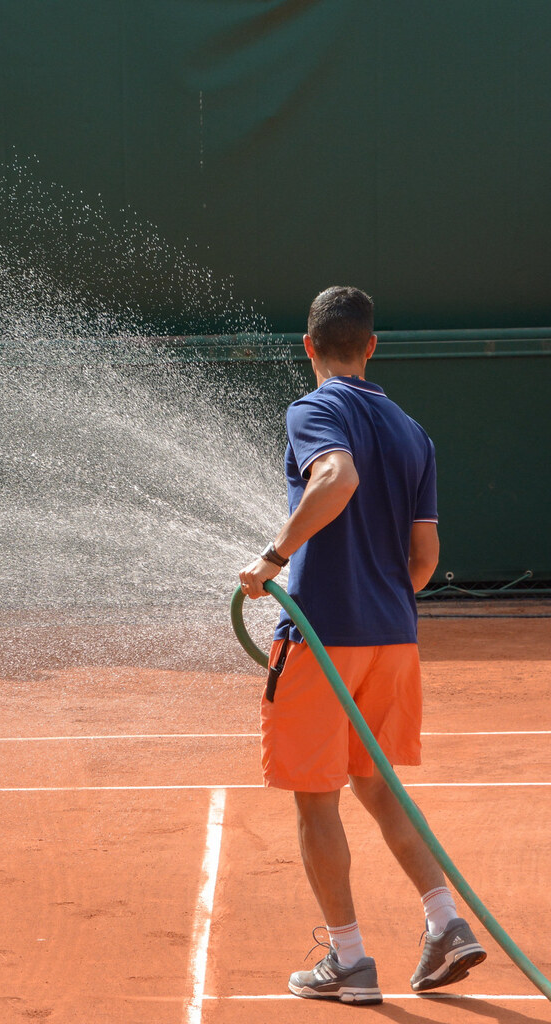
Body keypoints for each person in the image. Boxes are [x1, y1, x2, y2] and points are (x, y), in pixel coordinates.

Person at [238, 286, 486, 1005]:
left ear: (309, 346)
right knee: (375, 784)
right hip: (392, 641)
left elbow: (335, 477)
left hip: (323, 639)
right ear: (371, 346)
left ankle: (348, 959)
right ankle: (445, 922)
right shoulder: (413, 431)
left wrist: (273, 558)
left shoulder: (313, 408)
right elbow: (424, 557)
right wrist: (379, 601)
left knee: (317, 803)